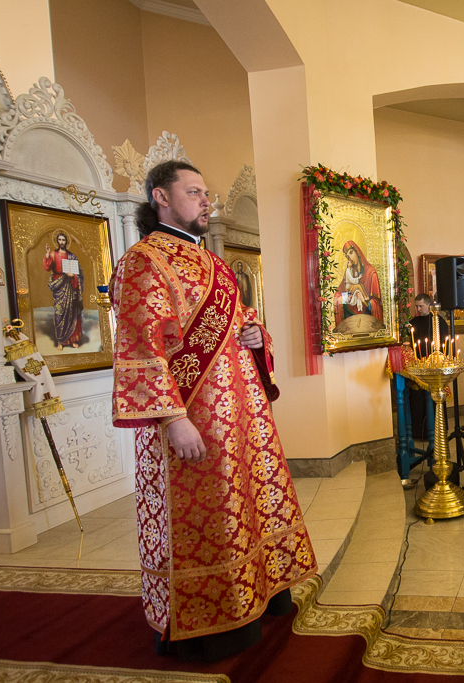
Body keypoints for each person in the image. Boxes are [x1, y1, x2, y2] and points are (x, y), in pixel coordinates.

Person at [111, 160, 316, 661]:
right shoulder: (145, 261)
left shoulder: (212, 261)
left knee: (246, 505)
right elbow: (140, 345)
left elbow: (241, 319)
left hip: (241, 413)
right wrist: (174, 419)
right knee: (209, 517)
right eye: (196, 192)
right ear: (161, 196)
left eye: (208, 193)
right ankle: (207, 625)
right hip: (193, 416)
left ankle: (259, 592)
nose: (208, 201)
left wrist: (255, 334)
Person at [408, 294, 449, 440]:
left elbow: (445, 346)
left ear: (429, 305)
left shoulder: (438, 322)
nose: (418, 309)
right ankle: (419, 432)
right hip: (418, 366)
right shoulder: (414, 322)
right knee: (417, 398)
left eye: (421, 306)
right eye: (416, 306)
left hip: (433, 367)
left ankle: (438, 430)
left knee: (433, 398)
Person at [43, 231, 84, 350]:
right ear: (57, 241)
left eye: (63, 240)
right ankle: (60, 341)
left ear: (66, 242)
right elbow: (48, 267)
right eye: (60, 240)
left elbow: (79, 273)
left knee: (72, 312)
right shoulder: (53, 254)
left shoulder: (72, 256)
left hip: (71, 287)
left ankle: (73, 340)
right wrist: (46, 255)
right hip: (59, 286)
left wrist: (73, 276)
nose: (61, 242)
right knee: (59, 313)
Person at [335, 240, 382, 324]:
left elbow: (377, 304)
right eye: (347, 256)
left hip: (367, 321)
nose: (350, 258)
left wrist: (364, 301)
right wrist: (346, 299)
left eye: (351, 252)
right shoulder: (349, 273)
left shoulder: (371, 273)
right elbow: (339, 294)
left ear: (357, 252)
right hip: (350, 321)